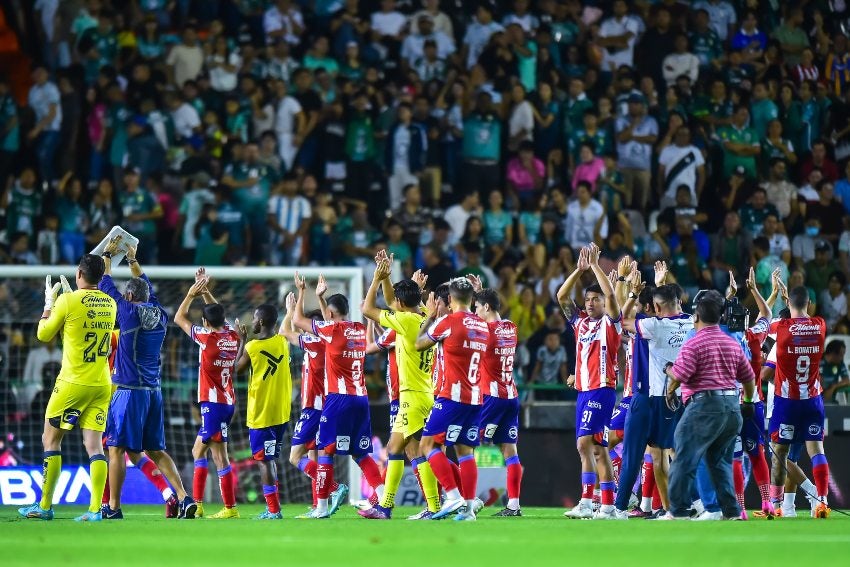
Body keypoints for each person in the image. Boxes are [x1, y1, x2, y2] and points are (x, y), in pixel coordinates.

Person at [97, 239, 196, 520]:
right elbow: (147, 286)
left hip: (128, 392)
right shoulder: (160, 314)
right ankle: (184, 497)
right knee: (156, 450)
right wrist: (132, 260)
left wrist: (106, 255)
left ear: (128, 297)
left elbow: (106, 286)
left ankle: (113, 507)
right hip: (154, 392)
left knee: (115, 448)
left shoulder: (127, 312)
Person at [19, 255, 116, 522]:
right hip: (101, 383)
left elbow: (43, 334)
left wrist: (49, 304)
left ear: (78, 273)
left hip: (72, 383)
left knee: (51, 440)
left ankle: (45, 506)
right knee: (94, 446)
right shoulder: (110, 303)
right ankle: (96, 510)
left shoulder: (68, 300)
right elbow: (87, 317)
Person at [291, 273, 386, 519]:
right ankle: (383, 498)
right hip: (362, 399)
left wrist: (302, 292)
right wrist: (323, 298)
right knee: (360, 453)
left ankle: (321, 507)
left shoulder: (331, 329)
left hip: (338, 400)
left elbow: (297, 319)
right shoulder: (357, 328)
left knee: (326, 452)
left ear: (330, 315)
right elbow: (334, 324)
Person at [358, 255, 440, 520]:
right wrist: (393, 280)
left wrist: (377, 278)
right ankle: (424, 507)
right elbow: (398, 303)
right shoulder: (426, 316)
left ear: (402, 305)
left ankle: (397, 506)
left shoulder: (404, 322)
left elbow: (367, 308)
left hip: (412, 396)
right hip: (426, 392)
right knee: (413, 449)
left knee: (396, 448)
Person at [663, 290, 756, 520]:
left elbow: (681, 374)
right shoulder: (731, 342)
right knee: (720, 462)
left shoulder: (694, 342)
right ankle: (731, 512)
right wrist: (748, 402)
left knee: (683, 458)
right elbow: (748, 376)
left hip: (704, 406)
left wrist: (668, 372)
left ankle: (679, 511)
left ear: (696, 317)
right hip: (732, 408)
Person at [414, 278, 489, 522]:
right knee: (465, 451)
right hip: (476, 397)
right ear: (472, 300)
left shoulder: (448, 322)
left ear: (449, 300)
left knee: (428, 446)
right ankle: (467, 510)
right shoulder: (482, 325)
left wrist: (430, 316)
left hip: (451, 396)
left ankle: (453, 494)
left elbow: (418, 344)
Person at [557, 243, 621, 520]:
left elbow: (610, 294)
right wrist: (578, 270)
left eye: (595, 299)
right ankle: (605, 505)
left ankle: (586, 501)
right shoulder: (580, 323)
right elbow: (561, 296)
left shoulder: (610, 323)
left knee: (586, 443)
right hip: (584, 390)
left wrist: (596, 266)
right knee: (596, 447)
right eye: (588, 299)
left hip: (602, 389)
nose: (591, 303)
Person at [173, 269, 241, 519]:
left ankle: (228, 508)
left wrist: (192, 294)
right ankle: (201, 504)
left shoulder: (206, 338)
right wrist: (206, 293)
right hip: (227, 401)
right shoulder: (232, 336)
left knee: (217, 455)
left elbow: (179, 317)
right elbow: (219, 313)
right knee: (201, 451)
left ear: (204, 323)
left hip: (212, 403)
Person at [762, 286, 831, 518]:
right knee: (817, 450)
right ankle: (822, 500)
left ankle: (774, 504)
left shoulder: (780, 328)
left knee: (779, 452)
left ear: (788, 303)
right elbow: (805, 319)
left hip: (786, 402)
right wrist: (796, 306)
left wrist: (777, 299)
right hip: (812, 399)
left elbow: (763, 323)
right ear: (809, 303)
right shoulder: (819, 325)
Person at [278, 289, 347, 518]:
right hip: (328, 404)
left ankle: (334, 488)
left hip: (314, 408)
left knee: (295, 456)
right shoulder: (328, 343)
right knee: (313, 456)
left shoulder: (313, 342)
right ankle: (320, 505)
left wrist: (289, 311)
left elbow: (284, 331)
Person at [468, 278, 523, 516]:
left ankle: (468, 500)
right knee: (510, 450)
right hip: (511, 396)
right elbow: (491, 316)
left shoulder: (485, 332)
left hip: (491, 397)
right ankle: (513, 505)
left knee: (467, 446)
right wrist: (480, 294)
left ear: (487, 308)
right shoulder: (511, 327)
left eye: (478, 307)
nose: (475, 312)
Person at [234, 303, 292, 520]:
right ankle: (274, 507)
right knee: (270, 459)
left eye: (256, 318)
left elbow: (236, 370)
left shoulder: (252, 347)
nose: (253, 322)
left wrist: (242, 340)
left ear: (262, 321)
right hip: (281, 412)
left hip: (262, 413)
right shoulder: (283, 342)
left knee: (264, 460)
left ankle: (273, 510)